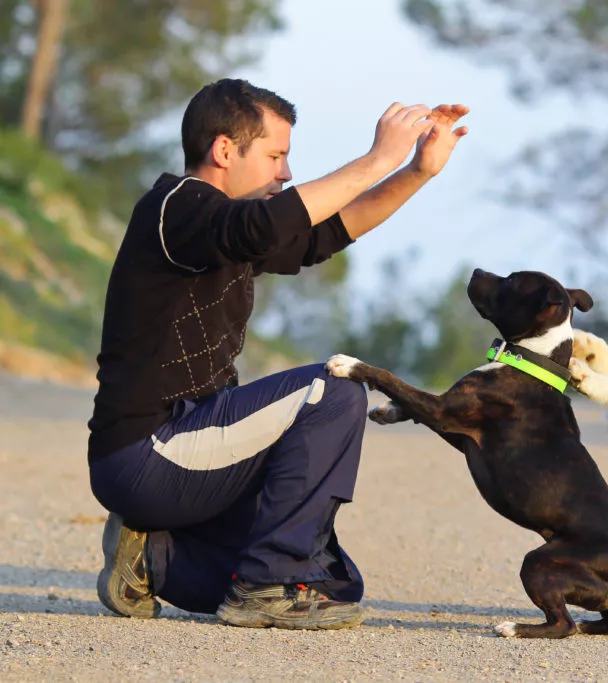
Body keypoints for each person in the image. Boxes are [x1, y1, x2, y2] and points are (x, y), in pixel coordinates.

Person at [86, 78, 469, 630]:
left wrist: (414, 171)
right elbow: (263, 227)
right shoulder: (177, 209)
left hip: (194, 457)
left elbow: (325, 232)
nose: (285, 172)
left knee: (329, 584)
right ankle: (263, 590)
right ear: (223, 150)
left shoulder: (226, 229)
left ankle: (149, 557)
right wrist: (375, 158)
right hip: (151, 454)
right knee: (335, 391)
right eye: (275, 155)